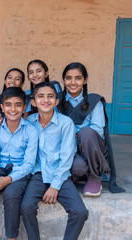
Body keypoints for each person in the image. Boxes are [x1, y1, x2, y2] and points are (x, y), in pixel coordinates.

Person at [21, 82, 88, 240]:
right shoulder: (29, 121)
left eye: (50, 96)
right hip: (37, 174)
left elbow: (66, 158)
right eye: (41, 96)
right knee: (26, 206)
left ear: (56, 101)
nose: (46, 100)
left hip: (61, 174)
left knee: (80, 212)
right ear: (33, 102)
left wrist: (55, 186)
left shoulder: (65, 123)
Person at [0, 87, 38, 240]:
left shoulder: (31, 131)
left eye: (18, 105)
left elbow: (29, 164)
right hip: (0, 168)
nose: (13, 109)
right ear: (2, 107)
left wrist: (8, 180)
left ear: (25, 107)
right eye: (8, 105)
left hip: (19, 171)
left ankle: (11, 237)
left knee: (11, 195)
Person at [59, 62, 125, 195]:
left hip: (90, 146)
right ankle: (80, 175)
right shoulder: (57, 100)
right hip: (66, 148)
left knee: (87, 132)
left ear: (85, 80)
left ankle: (95, 178)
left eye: (78, 78)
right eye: (68, 78)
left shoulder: (94, 101)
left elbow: (98, 131)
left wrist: (74, 134)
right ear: (64, 80)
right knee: (78, 168)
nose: (73, 82)